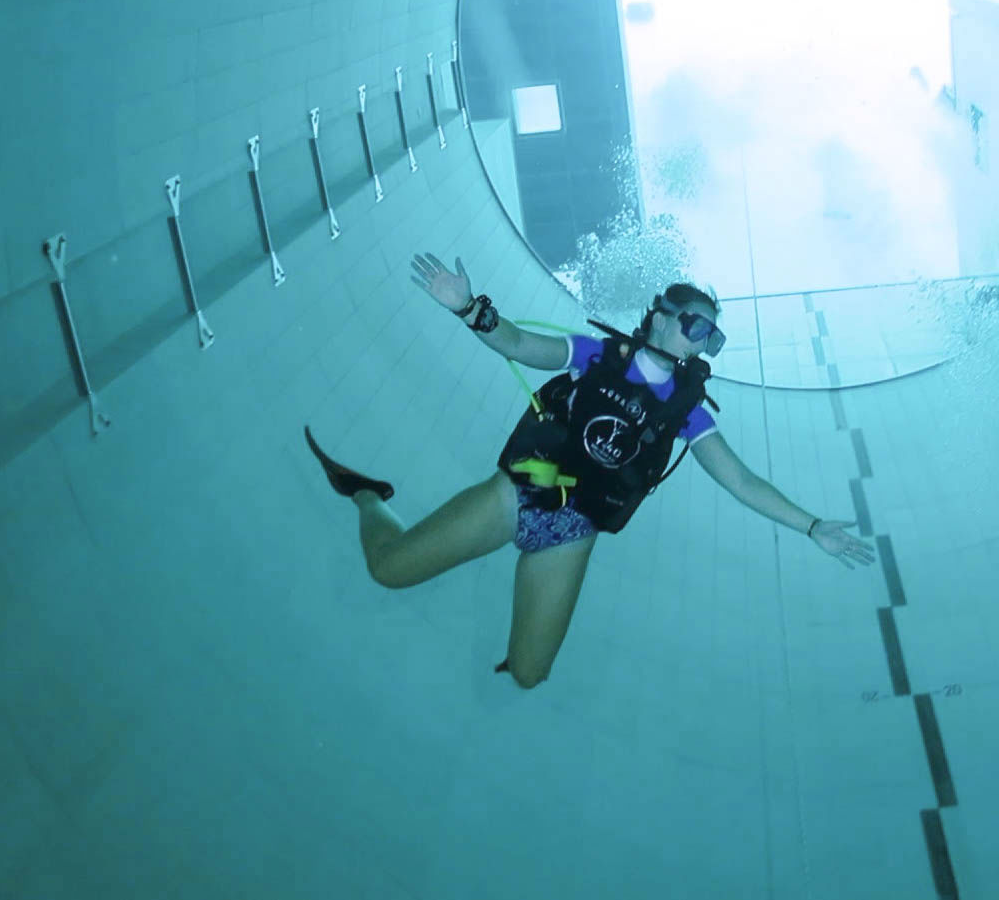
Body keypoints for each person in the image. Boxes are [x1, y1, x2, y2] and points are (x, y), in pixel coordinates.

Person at [304, 252, 876, 690]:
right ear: (658, 316)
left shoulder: (687, 410)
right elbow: (522, 343)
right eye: (696, 326)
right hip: (520, 493)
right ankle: (366, 496)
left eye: (713, 337)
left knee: (529, 673)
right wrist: (467, 307)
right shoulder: (594, 355)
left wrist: (811, 525)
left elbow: (742, 480)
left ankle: (514, 644)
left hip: (572, 534)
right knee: (389, 570)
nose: (703, 343)